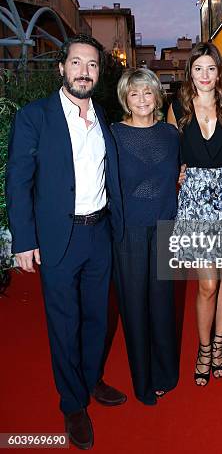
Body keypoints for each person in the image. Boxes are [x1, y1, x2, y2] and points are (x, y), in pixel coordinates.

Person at [6, 34, 126, 451]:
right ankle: (72, 403)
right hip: (59, 236)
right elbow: (18, 182)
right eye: (77, 63)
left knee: (96, 317)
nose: (84, 72)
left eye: (92, 65)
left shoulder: (103, 117)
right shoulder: (35, 117)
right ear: (62, 68)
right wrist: (23, 240)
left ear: (99, 72)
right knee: (64, 322)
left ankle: (92, 380)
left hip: (99, 233)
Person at [167, 42, 222, 386]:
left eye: (211, 69)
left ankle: (218, 346)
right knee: (207, 284)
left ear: (219, 73)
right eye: (198, 69)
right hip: (196, 200)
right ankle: (202, 348)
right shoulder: (177, 108)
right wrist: (176, 175)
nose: (205, 75)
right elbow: (167, 154)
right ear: (190, 73)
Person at [111, 69, 179, 406]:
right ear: (125, 98)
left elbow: (186, 171)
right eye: (134, 94)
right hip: (129, 232)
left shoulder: (171, 134)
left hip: (165, 228)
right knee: (134, 307)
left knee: (163, 304)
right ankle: (143, 381)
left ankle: (166, 372)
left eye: (147, 93)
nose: (141, 100)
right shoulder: (113, 134)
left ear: (157, 96)